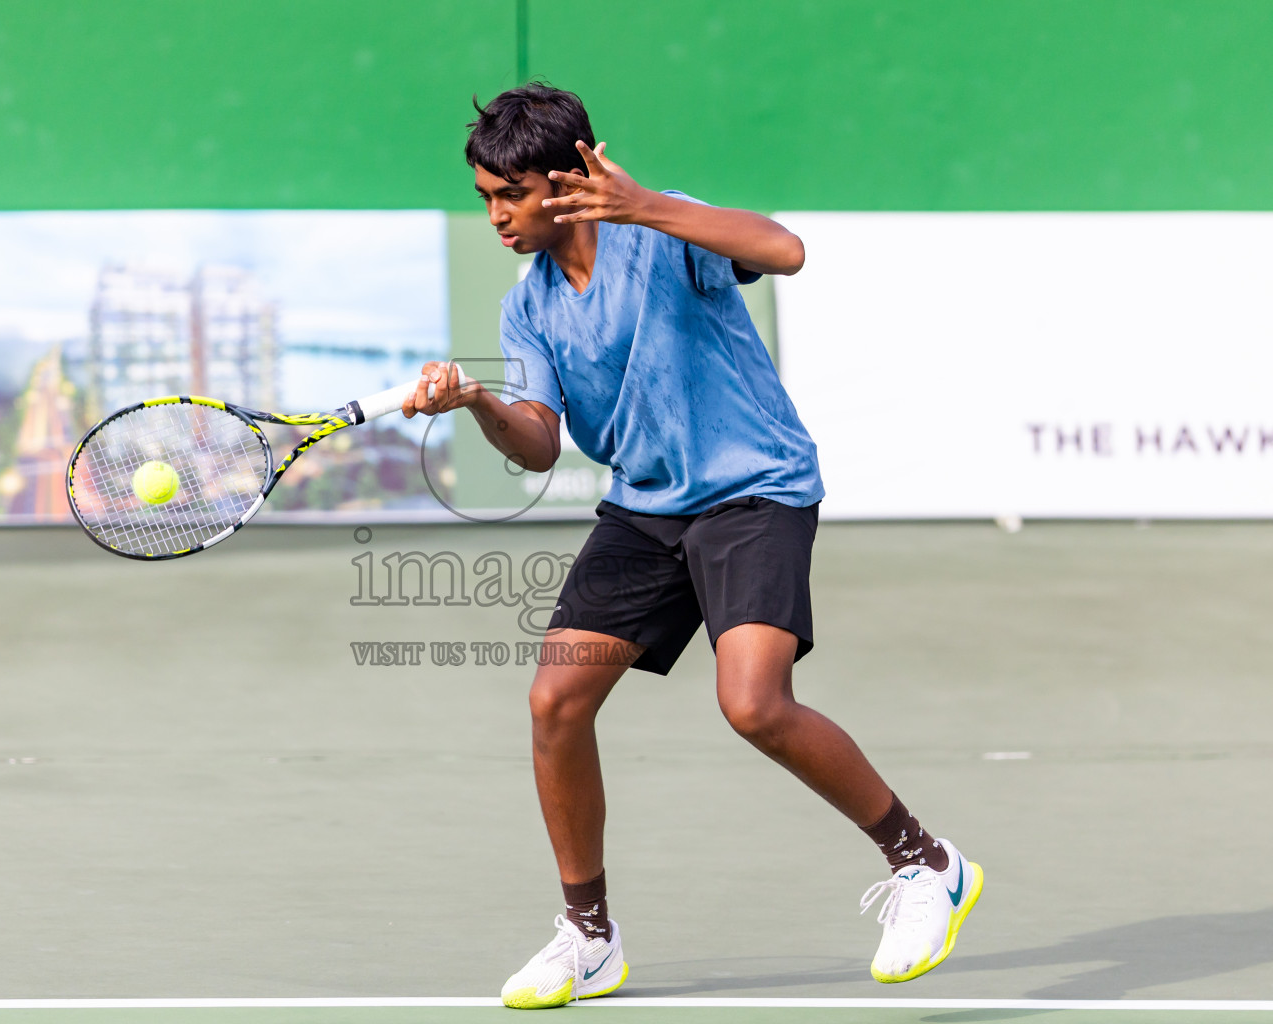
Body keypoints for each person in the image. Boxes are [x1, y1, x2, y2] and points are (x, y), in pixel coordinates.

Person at [403, 84, 982, 1010]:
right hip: (647, 509)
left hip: (754, 489)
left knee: (753, 703)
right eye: (483, 197)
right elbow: (541, 444)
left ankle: (925, 863)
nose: (495, 215)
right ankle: (589, 938)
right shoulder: (532, 307)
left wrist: (644, 205)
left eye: (508, 194)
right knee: (555, 700)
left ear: (563, 182)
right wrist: (476, 403)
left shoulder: (664, 231)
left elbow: (786, 251)